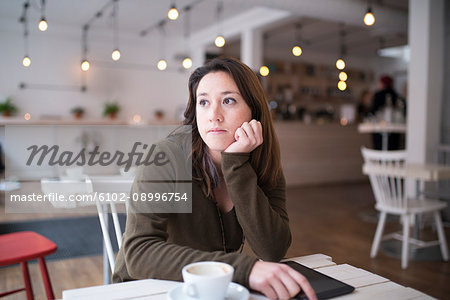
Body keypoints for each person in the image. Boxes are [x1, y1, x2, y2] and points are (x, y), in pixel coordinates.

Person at [113, 57, 317, 300]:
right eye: (204, 102)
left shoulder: (262, 164)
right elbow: (139, 253)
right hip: (145, 289)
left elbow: (272, 249)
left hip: (210, 290)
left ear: (255, 110)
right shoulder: (165, 156)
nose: (213, 115)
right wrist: (244, 269)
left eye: (228, 100)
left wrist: (236, 165)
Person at [370, 75, 406, 150]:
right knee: (393, 150)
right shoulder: (396, 95)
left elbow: (373, 112)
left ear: (383, 83)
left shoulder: (378, 95)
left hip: (379, 129)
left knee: (379, 150)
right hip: (395, 130)